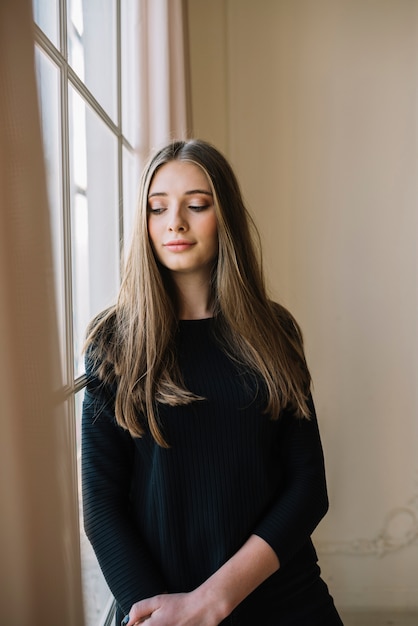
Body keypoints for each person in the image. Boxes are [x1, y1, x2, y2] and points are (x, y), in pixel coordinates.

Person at [82, 139, 343, 626]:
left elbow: (308, 487)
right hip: (157, 604)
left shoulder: (275, 331)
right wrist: (160, 612)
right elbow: (100, 506)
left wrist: (212, 602)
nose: (174, 222)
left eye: (196, 205)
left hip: (283, 600)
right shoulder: (112, 342)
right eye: (157, 208)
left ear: (225, 218)